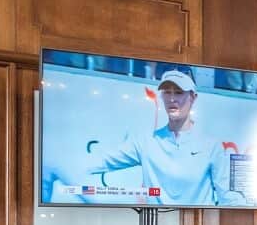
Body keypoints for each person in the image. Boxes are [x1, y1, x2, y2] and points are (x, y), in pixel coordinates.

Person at [87, 71, 246, 206]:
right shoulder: (146, 141)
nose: (172, 99)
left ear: (193, 97)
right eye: (167, 92)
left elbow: (230, 198)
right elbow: (101, 161)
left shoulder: (212, 146)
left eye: (178, 92)